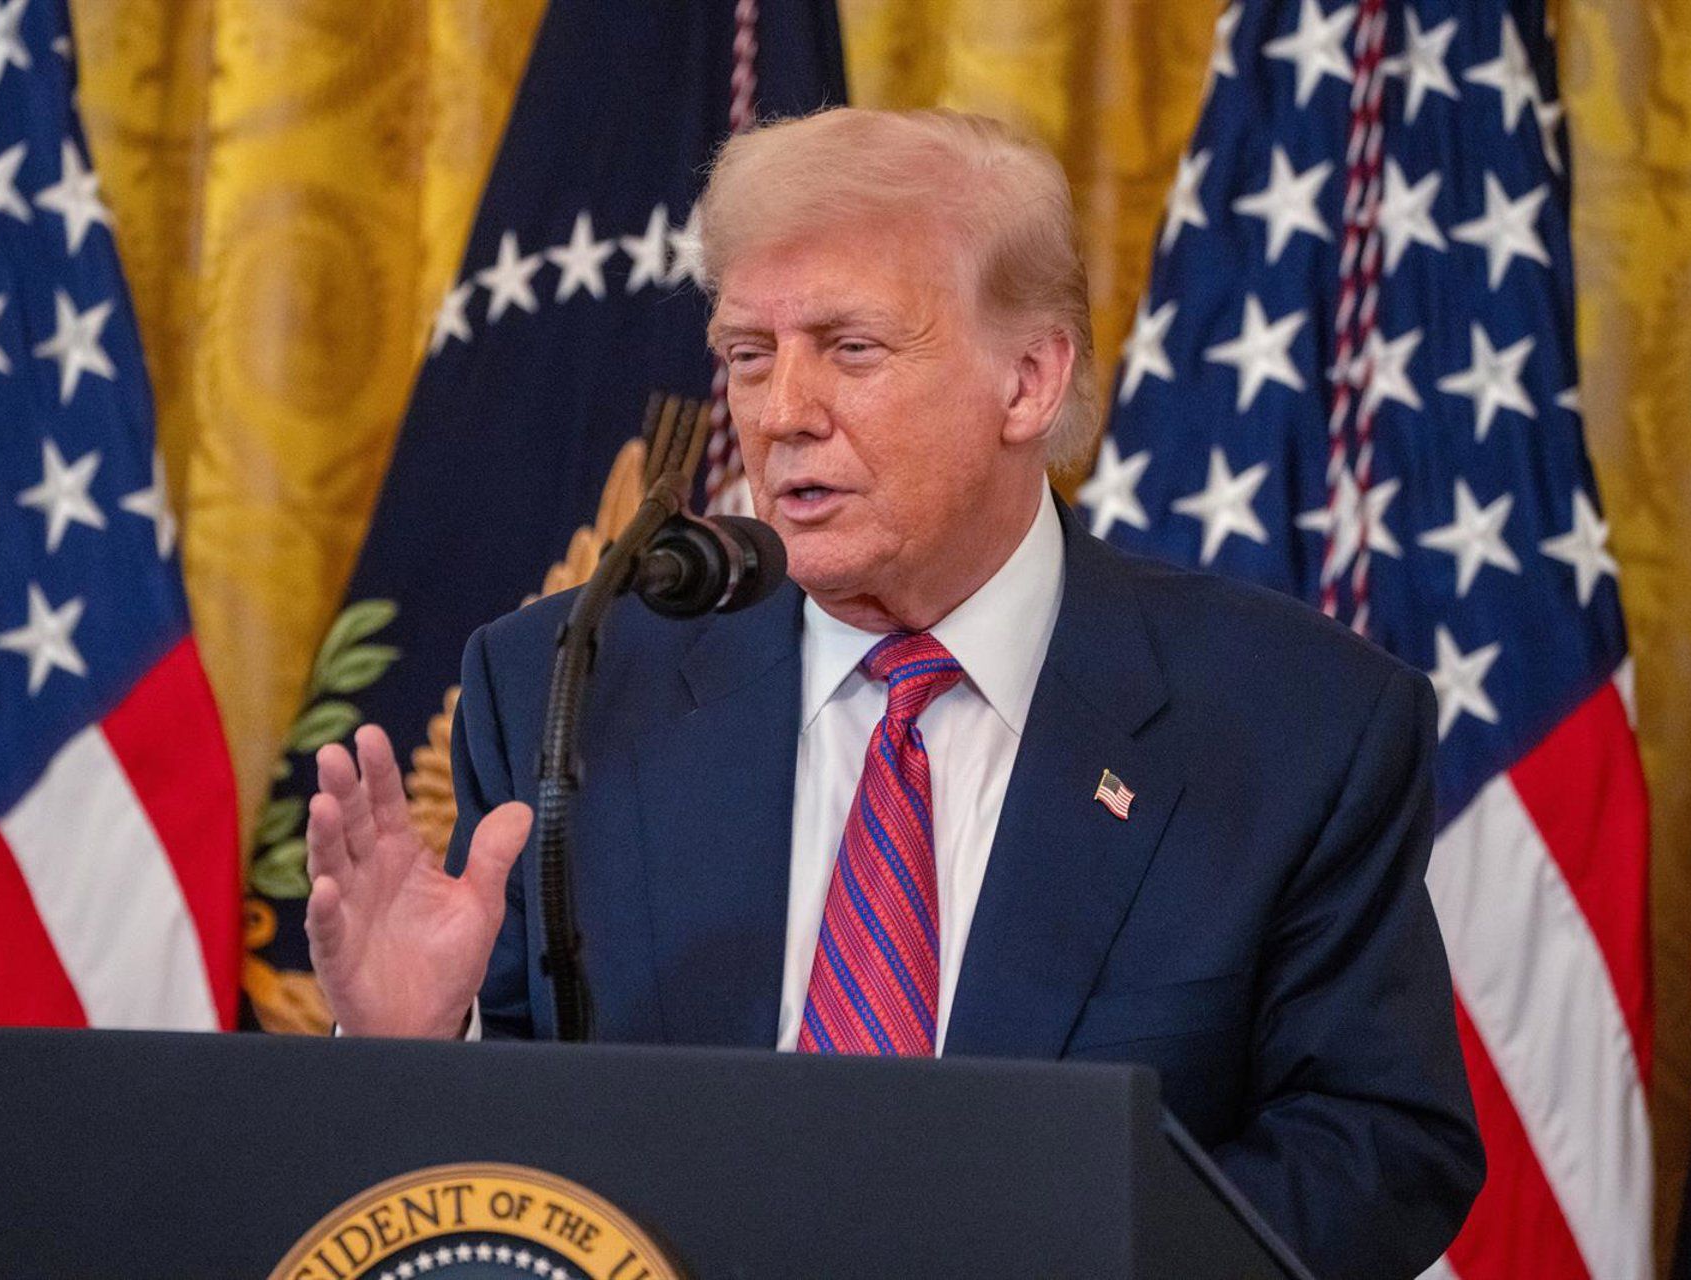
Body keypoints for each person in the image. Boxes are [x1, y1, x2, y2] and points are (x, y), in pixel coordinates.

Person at [304, 107, 1482, 1279]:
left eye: (851, 348)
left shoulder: (1294, 722)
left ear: (1027, 381)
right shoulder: (570, 680)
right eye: (748, 354)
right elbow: (512, 1150)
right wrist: (412, 1044)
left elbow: (1377, 1143)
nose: (781, 412)